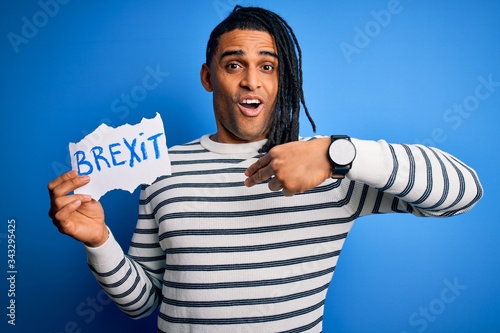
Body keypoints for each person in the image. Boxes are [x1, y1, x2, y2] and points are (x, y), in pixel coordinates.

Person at [48, 6, 483, 333]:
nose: (251, 81)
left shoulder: (330, 166)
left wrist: (337, 153)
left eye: (268, 67)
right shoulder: (164, 171)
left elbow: (464, 192)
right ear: (208, 76)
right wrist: (101, 242)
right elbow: (143, 302)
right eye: (234, 64)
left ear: (282, 79)